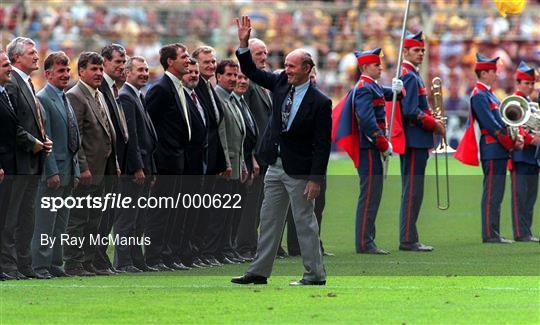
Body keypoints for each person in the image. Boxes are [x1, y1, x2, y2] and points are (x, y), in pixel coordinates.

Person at [232, 16, 331, 286]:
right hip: (274, 166)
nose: (286, 69)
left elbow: (323, 144)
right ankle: (259, 271)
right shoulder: (279, 83)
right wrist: (243, 43)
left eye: (291, 66)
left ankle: (314, 274)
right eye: (285, 65)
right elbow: (252, 72)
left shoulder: (321, 102)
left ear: (307, 69)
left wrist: (315, 178)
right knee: (268, 220)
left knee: (305, 224)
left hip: (299, 171)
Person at [455, 53, 522, 243]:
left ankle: (494, 232)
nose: (496, 74)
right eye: (492, 71)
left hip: (498, 149)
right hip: (493, 148)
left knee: (497, 193)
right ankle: (490, 234)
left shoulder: (489, 94)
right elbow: (491, 125)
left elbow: (501, 120)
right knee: (492, 193)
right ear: (483, 73)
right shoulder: (479, 95)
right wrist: (510, 141)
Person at [1, 37, 52, 279]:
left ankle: (23, 263)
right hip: (18, 161)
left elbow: (32, 122)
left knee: (26, 217)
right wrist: (34, 143)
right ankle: (9, 265)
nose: (36, 56)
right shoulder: (11, 85)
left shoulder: (28, 84)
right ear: (17, 57)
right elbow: (12, 127)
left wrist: (43, 140)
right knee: (12, 218)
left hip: (33, 160)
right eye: (31, 52)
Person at [64, 51, 119, 276]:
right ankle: (73, 262)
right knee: (79, 218)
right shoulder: (75, 96)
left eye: (100, 69)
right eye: (93, 69)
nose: (98, 73)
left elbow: (106, 133)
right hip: (88, 171)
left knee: (95, 218)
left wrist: (112, 162)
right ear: (81, 71)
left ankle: (88, 261)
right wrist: (82, 167)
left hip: (103, 169)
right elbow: (75, 136)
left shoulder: (99, 95)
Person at [32, 52, 80, 279]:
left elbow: (73, 138)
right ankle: (40, 265)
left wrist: (77, 169)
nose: (66, 74)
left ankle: (55, 263)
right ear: (48, 74)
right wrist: (51, 171)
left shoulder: (64, 97)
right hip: (54, 172)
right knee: (45, 222)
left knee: (61, 223)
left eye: (67, 70)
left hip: (68, 170)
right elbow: (46, 138)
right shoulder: (43, 99)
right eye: (61, 71)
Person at [397, 31, 445, 252]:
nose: (421, 53)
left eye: (423, 50)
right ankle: (408, 239)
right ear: (405, 51)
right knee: (413, 191)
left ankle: (410, 236)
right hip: (414, 140)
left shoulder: (412, 74)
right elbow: (409, 110)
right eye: (416, 50)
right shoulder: (408, 75)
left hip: (418, 140)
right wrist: (433, 123)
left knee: (414, 190)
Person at [351, 48, 402, 254]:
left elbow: (389, 94)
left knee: (374, 194)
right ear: (364, 67)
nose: (380, 67)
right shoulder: (364, 88)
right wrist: (382, 142)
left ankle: (367, 239)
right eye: (376, 64)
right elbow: (366, 120)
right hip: (369, 147)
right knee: (370, 195)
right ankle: (364, 242)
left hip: (373, 147)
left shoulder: (373, 86)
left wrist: (399, 89)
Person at [145, 43, 191, 271]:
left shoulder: (178, 87)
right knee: (161, 210)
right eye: (184, 56)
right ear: (170, 62)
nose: (188, 60)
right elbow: (148, 125)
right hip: (164, 162)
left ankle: (166, 253)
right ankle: (154, 256)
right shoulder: (161, 88)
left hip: (177, 159)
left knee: (173, 210)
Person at [115, 56, 158, 272]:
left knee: (139, 218)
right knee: (127, 218)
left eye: (146, 69)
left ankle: (135, 258)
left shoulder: (138, 96)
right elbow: (130, 137)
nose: (144, 73)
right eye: (139, 69)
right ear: (127, 73)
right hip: (133, 171)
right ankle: (123, 261)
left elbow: (146, 136)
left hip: (144, 167)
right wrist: (137, 167)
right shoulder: (125, 97)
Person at [94, 44, 129, 274]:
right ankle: (95, 258)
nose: (122, 67)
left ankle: (99, 258)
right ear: (105, 62)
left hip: (112, 164)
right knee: (98, 217)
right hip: (103, 164)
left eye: (123, 62)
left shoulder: (113, 89)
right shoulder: (102, 88)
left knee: (106, 217)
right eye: (117, 62)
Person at [191, 46, 227, 267]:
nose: (211, 66)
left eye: (213, 62)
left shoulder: (208, 88)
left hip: (211, 160)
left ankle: (203, 251)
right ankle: (196, 251)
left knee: (207, 210)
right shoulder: (197, 88)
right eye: (206, 62)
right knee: (197, 210)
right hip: (201, 159)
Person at [214, 59, 248, 265]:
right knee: (220, 212)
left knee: (230, 212)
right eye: (229, 75)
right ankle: (217, 250)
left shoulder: (232, 99)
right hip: (226, 166)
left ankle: (226, 248)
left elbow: (239, 137)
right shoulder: (218, 98)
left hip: (236, 164)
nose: (234, 79)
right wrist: (225, 162)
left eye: (236, 75)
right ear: (219, 76)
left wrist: (242, 164)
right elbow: (222, 136)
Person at [179, 58, 209, 268]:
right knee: (180, 212)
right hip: (184, 165)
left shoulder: (197, 97)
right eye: (189, 72)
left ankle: (188, 252)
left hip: (198, 164)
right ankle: (177, 253)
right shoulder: (181, 96)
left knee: (192, 213)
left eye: (196, 72)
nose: (193, 75)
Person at [509, 61, 539, 242]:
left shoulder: (531, 103)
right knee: (520, 196)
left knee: (530, 196)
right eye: (526, 83)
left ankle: (526, 231)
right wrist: (532, 139)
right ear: (518, 83)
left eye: (532, 83)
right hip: (521, 154)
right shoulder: (514, 102)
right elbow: (514, 127)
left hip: (532, 156)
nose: (530, 86)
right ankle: (520, 232)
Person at [232, 69, 259, 261]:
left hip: (247, 161)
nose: (241, 81)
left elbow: (248, 135)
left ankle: (235, 248)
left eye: (244, 78)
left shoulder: (242, 103)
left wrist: (252, 159)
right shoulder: (231, 102)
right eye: (238, 77)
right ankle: (236, 247)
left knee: (241, 208)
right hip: (236, 163)